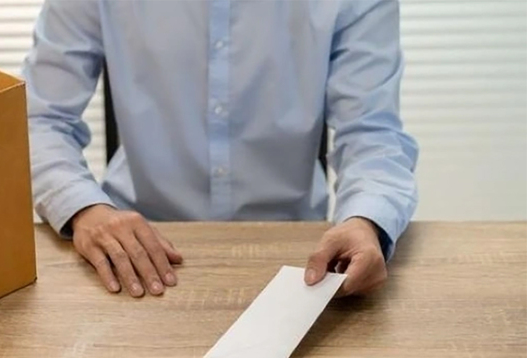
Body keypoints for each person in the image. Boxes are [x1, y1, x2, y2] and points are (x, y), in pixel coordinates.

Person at [24, 0, 418, 298]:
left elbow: (371, 132)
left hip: (297, 252)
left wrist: (366, 220)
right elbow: (39, 119)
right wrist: (83, 208)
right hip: (136, 248)